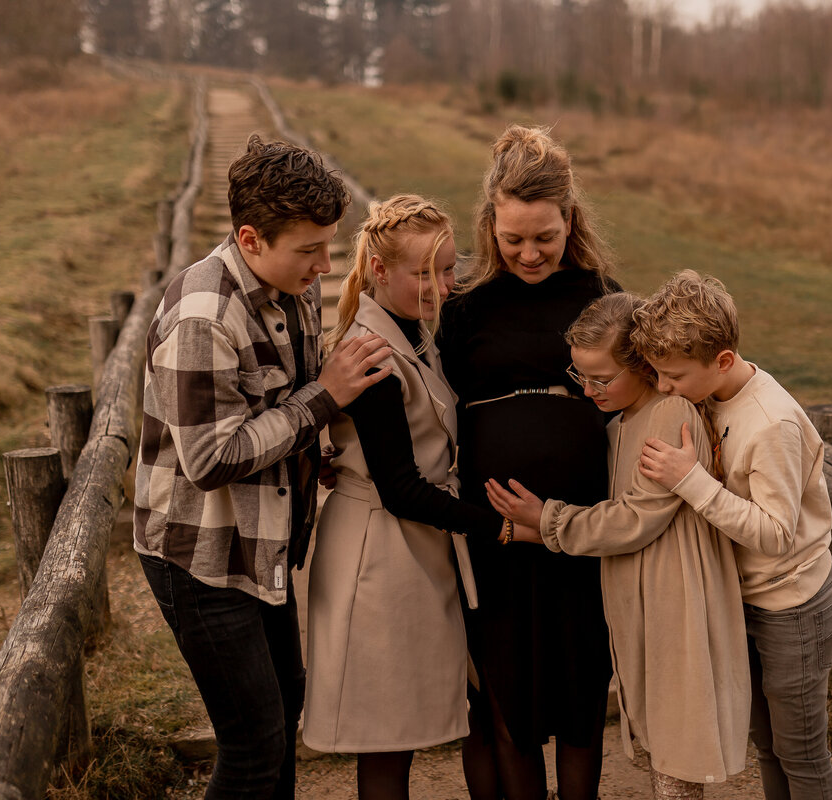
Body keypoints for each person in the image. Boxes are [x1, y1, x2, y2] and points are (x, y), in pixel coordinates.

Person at [133, 133, 393, 799]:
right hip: (202, 553)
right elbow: (211, 458)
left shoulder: (290, 287)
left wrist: (317, 448)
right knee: (253, 745)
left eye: (328, 245)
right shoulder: (204, 315)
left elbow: (283, 404)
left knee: (284, 712)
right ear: (251, 241)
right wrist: (323, 400)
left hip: (260, 539)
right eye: (309, 250)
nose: (324, 264)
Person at [483, 292, 751, 800]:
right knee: (658, 743)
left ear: (645, 366)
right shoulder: (620, 422)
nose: (587, 390)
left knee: (677, 751)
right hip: (640, 603)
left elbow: (638, 518)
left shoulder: (669, 413)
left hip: (676, 602)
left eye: (601, 379)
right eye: (579, 376)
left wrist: (548, 520)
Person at [303, 194, 511, 800]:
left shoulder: (413, 332)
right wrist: (495, 525)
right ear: (377, 270)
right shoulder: (373, 355)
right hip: (378, 557)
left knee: (432, 716)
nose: (441, 285)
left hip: (412, 551)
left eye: (447, 268)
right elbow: (399, 489)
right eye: (423, 272)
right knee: (387, 741)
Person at [435, 124, 620, 800]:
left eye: (545, 236)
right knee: (506, 700)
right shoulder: (464, 306)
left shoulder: (603, 294)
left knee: (579, 698)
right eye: (513, 239)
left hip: (582, 534)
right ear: (490, 225)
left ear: (569, 220)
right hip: (499, 541)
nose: (530, 252)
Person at [631, 270, 832, 800]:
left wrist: (690, 481)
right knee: (767, 745)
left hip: (791, 604)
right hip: (742, 599)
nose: (664, 387)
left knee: (802, 754)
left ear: (722, 360)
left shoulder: (771, 424)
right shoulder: (713, 393)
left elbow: (775, 534)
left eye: (674, 376)